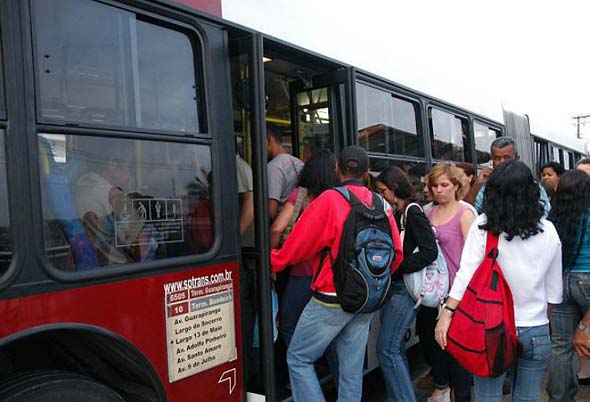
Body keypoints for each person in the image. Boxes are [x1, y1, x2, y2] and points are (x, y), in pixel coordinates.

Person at [270, 146, 403, 402]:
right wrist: (371, 281)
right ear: (367, 173)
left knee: (298, 358)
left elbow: (299, 245)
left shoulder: (329, 200)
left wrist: (274, 262)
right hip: (368, 298)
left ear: (337, 169)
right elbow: (396, 253)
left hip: (332, 296)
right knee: (351, 371)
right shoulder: (381, 204)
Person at [435, 160, 563, 402]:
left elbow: (466, 274)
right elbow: (554, 293)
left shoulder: (483, 227)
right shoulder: (549, 230)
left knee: (488, 397)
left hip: (491, 328)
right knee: (527, 397)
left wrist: (447, 312)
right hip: (535, 328)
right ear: (531, 190)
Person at [375, 166, 438, 402]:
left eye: (383, 191)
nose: (381, 196)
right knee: (394, 348)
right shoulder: (400, 212)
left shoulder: (412, 211)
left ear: (394, 188)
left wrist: (398, 266)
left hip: (405, 289)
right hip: (398, 288)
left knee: (387, 349)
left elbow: (429, 251)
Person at [270, 149, 340, 348]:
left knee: (289, 323)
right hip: (332, 276)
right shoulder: (340, 197)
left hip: (303, 272)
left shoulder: (301, 196)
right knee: (331, 332)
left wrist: (271, 261)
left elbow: (276, 229)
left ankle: (303, 366)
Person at [424, 163, 476, 402]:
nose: (438, 190)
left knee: (458, 354)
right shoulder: (428, 212)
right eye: (434, 185)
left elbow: (473, 258)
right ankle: (443, 388)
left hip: (458, 294)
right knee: (436, 347)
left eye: (444, 185)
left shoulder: (466, 213)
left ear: (457, 185)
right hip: (433, 293)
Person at [546, 170, 590, 401]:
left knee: (561, 346)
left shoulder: (554, 219)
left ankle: (559, 398)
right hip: (587, 279)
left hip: (561, 282)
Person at [464, 137, 551, 217]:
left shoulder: (532, 185)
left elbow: (545, 214)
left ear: (516, 158)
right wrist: (477, 185)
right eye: (497, 158)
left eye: (507, 157)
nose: (502, 162)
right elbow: (468, 212)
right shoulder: (485, 186)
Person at [266, 128, 303, 221]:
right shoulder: (298, 162)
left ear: (269, 140)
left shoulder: (273, 167)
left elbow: (271, 211)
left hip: (282, 226)